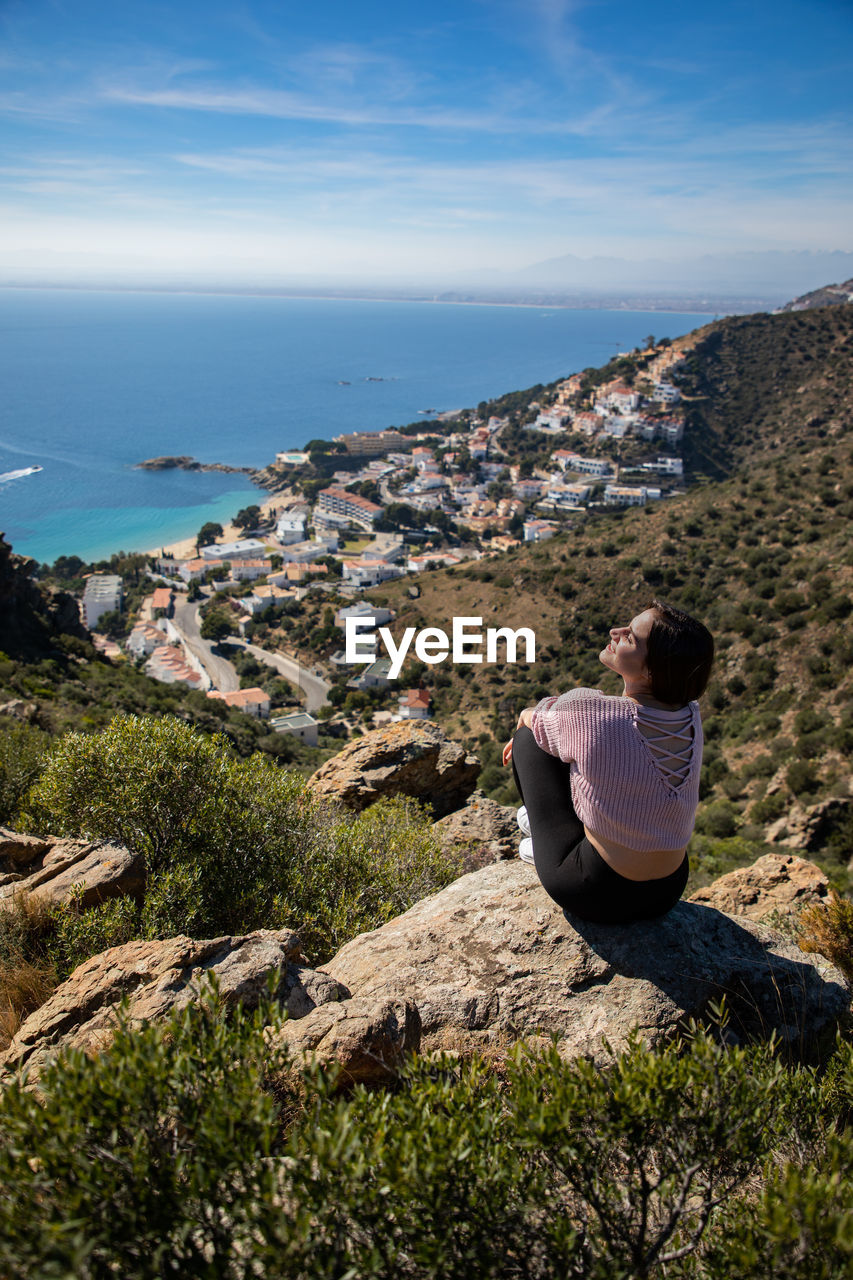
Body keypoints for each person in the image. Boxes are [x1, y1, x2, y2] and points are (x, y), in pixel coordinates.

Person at [502, 599, 714, 925]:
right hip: (668, 890)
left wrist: (526, 720)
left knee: (528, 741)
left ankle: (547, 847)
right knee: (584, 751)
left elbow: (534, 717)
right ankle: (558, 834)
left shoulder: (594, 712)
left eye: (630, 637)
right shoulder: (690, 715)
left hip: (594, 892)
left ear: (651, 669)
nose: (616, 632)